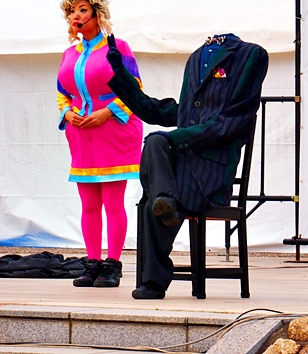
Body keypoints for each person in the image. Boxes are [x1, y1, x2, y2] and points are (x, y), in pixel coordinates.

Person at [106, 31, 268, 300]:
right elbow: (154, 111)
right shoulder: (195, 59)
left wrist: (177, 137)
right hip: (183, 169)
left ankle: (154, 280)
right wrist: (119, 72)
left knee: (157, 185)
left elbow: (230, 122)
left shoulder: (251, 54)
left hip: (212, 170)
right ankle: (165, 200)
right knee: (155, 145)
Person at [56, 0, 143, 288]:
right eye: (71, 11)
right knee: (89, 204)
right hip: (82, 135)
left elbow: (135, 88)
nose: (76, 16)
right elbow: (62, 93)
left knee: (112, 202)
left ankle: (113, 265)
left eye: (82, 9)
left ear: (96, 12)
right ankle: (92, 263)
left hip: (113, 132)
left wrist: (107, 112)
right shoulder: (69, 53)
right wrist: (68, 113)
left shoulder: (117, 48)